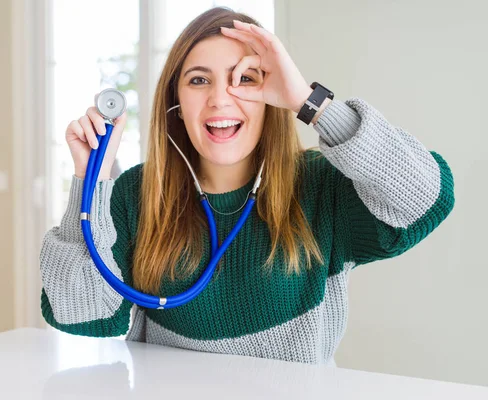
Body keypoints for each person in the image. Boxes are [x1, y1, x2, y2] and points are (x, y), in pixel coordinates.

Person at [39, 7, 454, 366]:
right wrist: (90, 179)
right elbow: (81, 313)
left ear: (272, 94)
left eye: (245, 78)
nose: (220, 99)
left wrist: (309, 102)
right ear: (177, 104)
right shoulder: (139, 192)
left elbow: (425, 199)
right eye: (199, 81)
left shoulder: (322, 185)